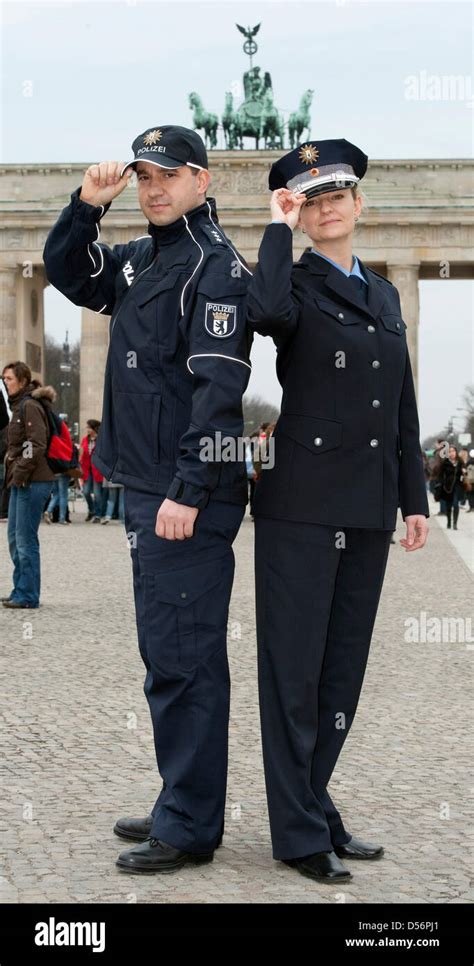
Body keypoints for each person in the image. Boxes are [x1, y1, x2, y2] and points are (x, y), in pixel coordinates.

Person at [43, 125, 252, 873]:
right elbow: (68, 273)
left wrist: (190, 489)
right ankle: (180, 799)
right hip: (146, 486)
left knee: (186, 658)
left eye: (168, 175)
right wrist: (84, 208)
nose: (153, 188)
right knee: (166, 653)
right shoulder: (146, 259)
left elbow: (219, 387)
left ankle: (192, 824)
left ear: (203, 179)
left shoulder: (215, 266)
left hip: (180, 496)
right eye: (143, 178)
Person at [246, 139, 429, 883]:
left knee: (341, 676)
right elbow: (261, 312)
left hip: (366, 509)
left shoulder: (385, 296)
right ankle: (296, 833)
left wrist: (413, 497)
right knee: (293, 672)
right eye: (309, 199)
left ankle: (315, 804)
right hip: (301, 504)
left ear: (358, 205)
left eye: (334, 197)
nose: (325, 207)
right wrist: (275, 228)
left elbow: (403, 406)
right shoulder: (290, 283)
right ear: (300, 209)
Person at [2, 362, 56, 609]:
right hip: (21, 481)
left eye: (9, 378)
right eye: (4, 379)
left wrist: (20, 470)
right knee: (14, 537)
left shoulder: (30, 406)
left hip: (33, 482)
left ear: (22, 381)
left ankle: (28, 595)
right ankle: (20, 588)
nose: (5, 382)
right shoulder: (18, 406)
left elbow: (36, 443)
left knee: (25, 540)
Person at [79, 420, 104, 522]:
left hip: (97, 470)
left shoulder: (101, 440)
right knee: (86, 492)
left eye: (89, 427)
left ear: (94, 429)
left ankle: (98, 515)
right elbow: (81, 453)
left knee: (98, 494)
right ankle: (91, 510)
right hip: (86, 470)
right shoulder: (85, 440)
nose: (87, 429)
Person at [438, 445, 466, 529]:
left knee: (456, 504)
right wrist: (442, 483)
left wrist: (464, 472)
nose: (452, 453)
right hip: (447, 487)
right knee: (448, 505)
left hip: (457, 486)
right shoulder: (445, 463)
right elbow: (440, 475)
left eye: (453, 451)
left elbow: (464, 474)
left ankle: (455, 524)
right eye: (449, 451)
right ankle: (449, 522)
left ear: (456, 452)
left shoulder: (460, 462)